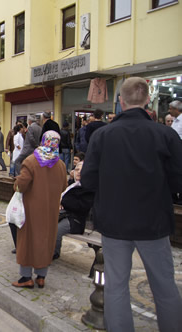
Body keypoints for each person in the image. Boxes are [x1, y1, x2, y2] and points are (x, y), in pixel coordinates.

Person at [81, 77, 182, 332]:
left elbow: (88, 181)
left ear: (120, 101)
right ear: (148, 100)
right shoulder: (166, 134)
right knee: (164, 287)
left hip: (114, 224)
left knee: (115, 287)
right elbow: (179, 181)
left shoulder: (103, 135)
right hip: (154, 223)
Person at [11, 131, 67, 289]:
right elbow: (63, 186)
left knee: (28, 241)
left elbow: (21, 185)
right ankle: (41, 276)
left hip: (31, 210)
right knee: (45, 241)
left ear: (43, 141)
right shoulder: (61, 165)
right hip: (50, 212)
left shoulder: (31, 161)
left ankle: (26, 277)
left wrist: (15, 184)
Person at [53, 161, 94, 260]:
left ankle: (53, 253)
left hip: (76, 221)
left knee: (56, 230)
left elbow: (81, 206)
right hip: (65, 216)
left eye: (82, 170)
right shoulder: (73, 185)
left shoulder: (88, 188)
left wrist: (63, 202)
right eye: (77, 169)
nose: (79, 172)